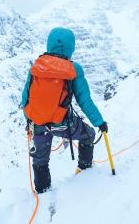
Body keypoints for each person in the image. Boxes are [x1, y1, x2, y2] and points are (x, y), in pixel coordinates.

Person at [21, 27, 108, 194]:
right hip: (61, 122)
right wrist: (99, 122)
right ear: (71, 47)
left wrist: (30, 120)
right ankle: (84, 171)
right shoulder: (73, 69)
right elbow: (84, 100)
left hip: (38, 122)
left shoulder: (37, 66)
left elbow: (25, 98)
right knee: (88, 135)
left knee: (40, 160)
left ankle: (43, 192)